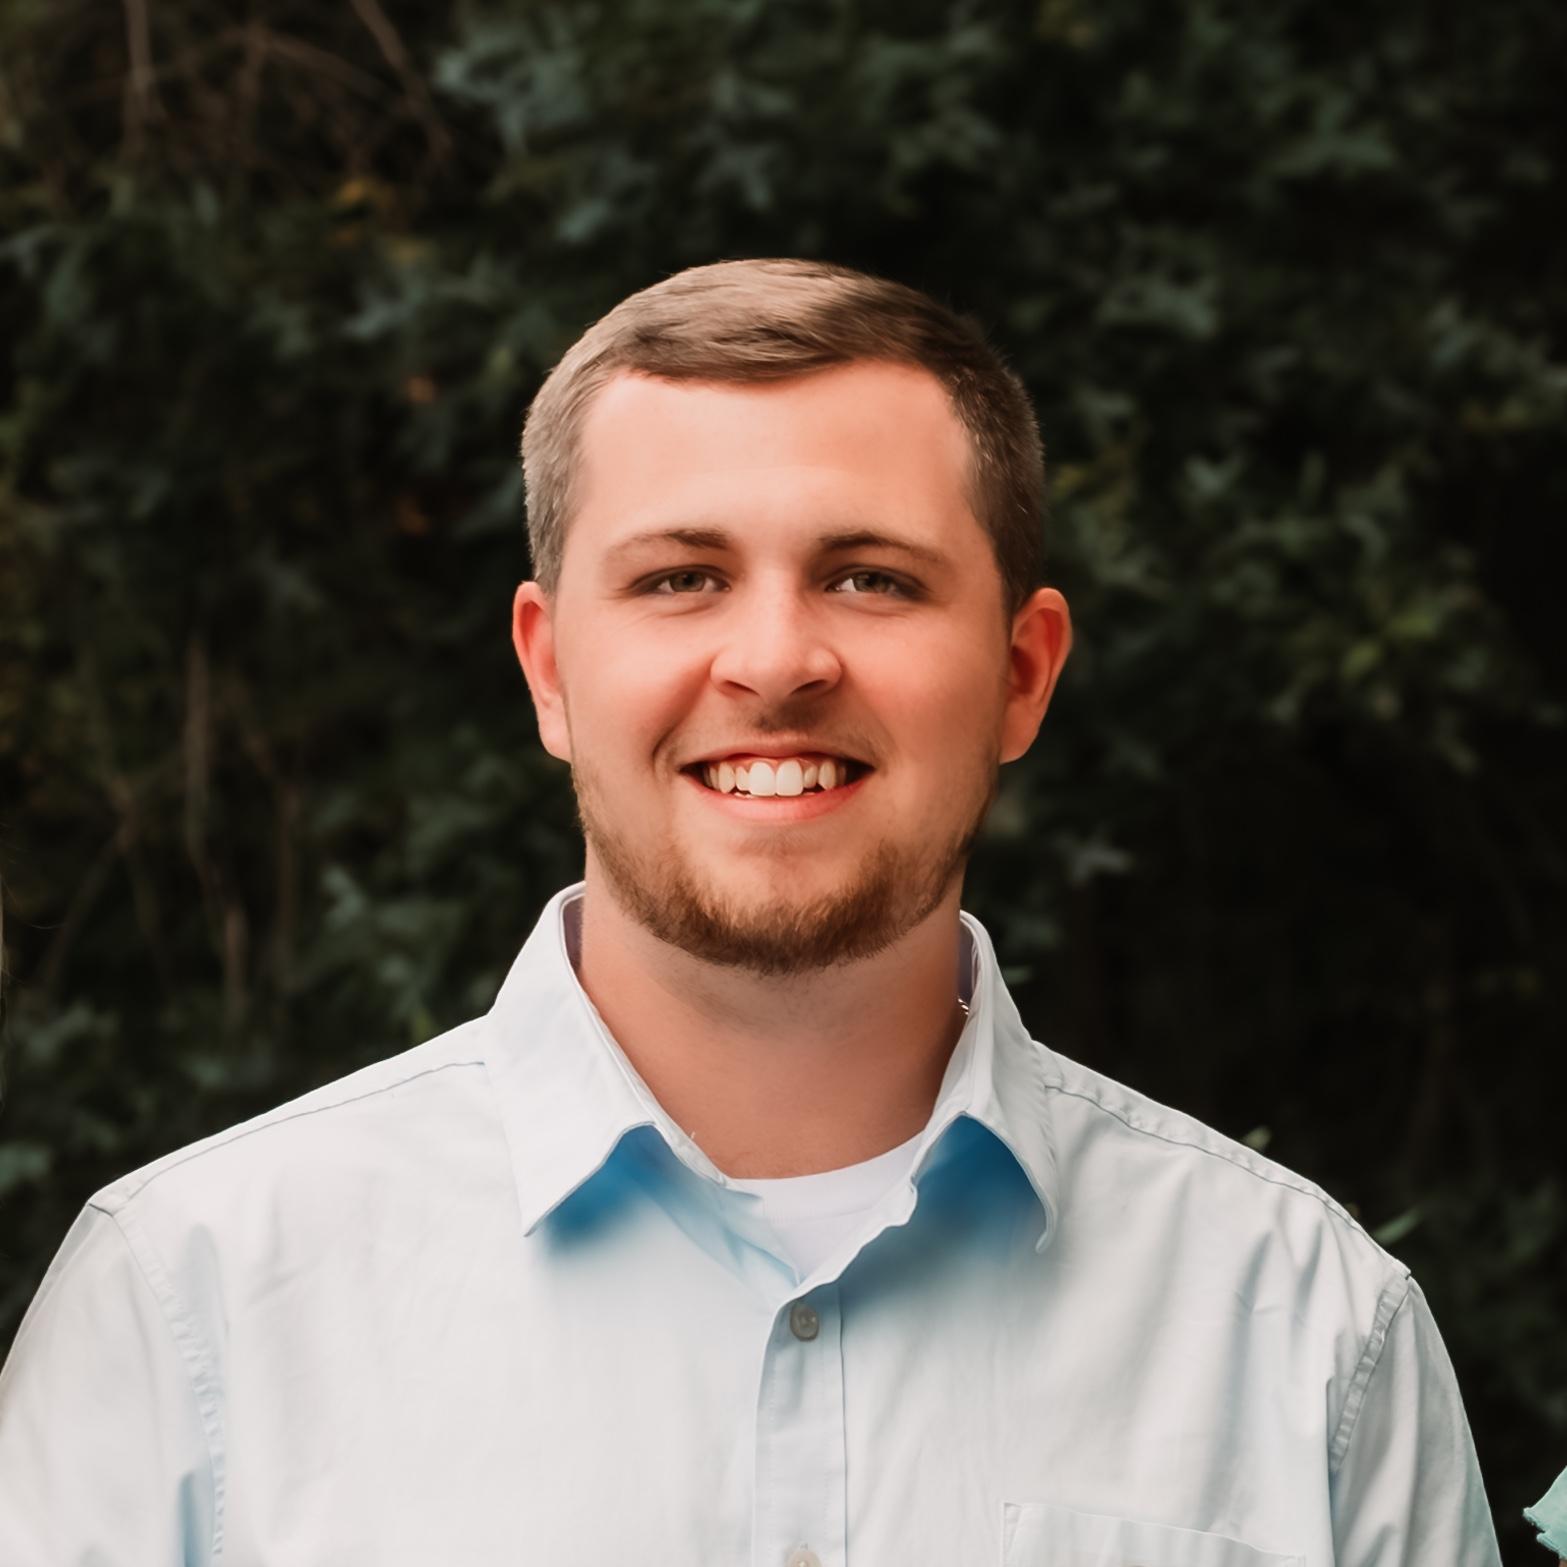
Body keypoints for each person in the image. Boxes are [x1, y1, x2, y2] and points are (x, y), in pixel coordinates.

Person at [0, 259, 1501, 1563]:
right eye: (680, 578)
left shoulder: (1311, 1334)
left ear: (1023, 674)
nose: (776, 660)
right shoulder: (185, 1310)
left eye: (871, 578)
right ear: (549, 671)